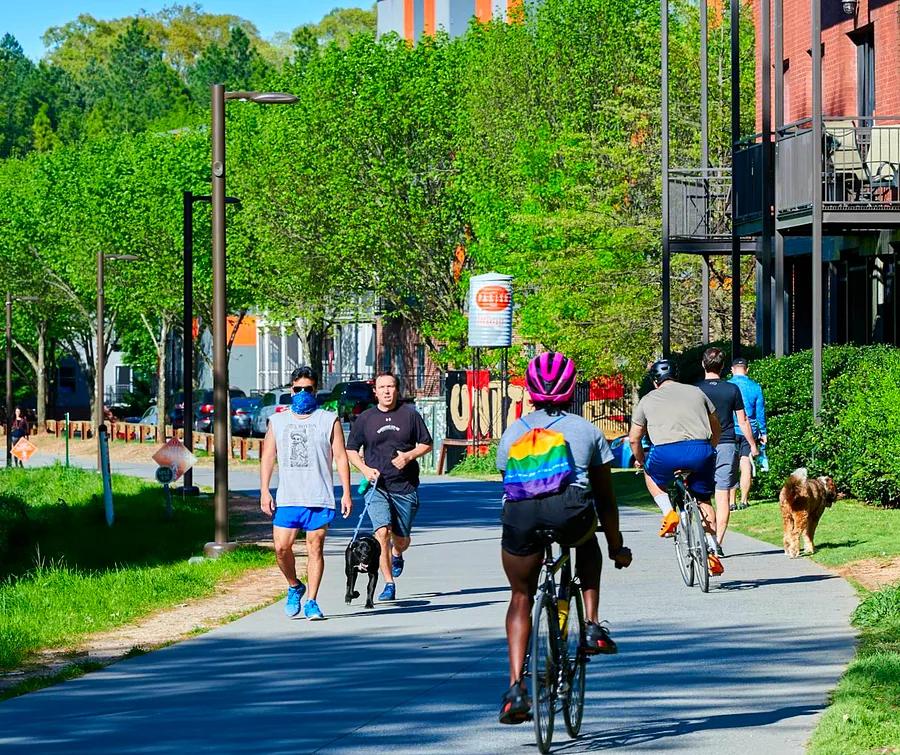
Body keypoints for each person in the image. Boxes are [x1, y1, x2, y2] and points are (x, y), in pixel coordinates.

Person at [495, 352, 632, 725]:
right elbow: (605, 498)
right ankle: (590, 625)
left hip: (522, 516)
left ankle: (515, 689)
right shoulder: (587, 430)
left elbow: (508, 480)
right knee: (586, 542)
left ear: (530, 390)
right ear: (572, 390)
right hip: (571, 513)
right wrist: (616, 546)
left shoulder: (514, 431)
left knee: (520, 595)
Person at [260, 366, 352, 621]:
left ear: (316, 390)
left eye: (307, 389)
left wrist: (346, 492)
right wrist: (265, 491)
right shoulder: (278, 421)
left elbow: (341, 457)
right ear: (291, 390)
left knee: (315, 547)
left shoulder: (328, 419)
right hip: (288, 497)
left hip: (319, 496)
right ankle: (294, 585)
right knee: (281, 548)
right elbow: (268, 457)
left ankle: (311, 600)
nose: (302, 393)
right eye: (297, 389)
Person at [628, 359, 724, 575]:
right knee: (703, 499)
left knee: (651, 475)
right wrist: (711, 447)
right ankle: (712, 549)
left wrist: (642, 461)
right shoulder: (697, 392)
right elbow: (715, 424)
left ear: (655, 381)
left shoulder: (646, 400)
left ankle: (668, 512)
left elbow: (634, 439)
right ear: (676, 376)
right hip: (701, 450)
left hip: (666, 453)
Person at [346, 372, 433, 602]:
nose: (386, 391)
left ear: (397, 390)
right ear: (375, 391)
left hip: (405, 487)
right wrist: (364, 469)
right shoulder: (365, 419)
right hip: (378, 487)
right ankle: (388, 583)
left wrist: (409, 456)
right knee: (381, 533)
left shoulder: (410, 415)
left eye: (391, 386)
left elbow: (427, 443)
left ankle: (397, 553)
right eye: (382, 387)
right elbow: (351, 449)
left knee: (401, 539)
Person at [695, 348, 759, 556]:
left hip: (701, 445)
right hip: (727, 444)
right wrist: (753, 444)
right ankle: (717, 543)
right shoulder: (732, 390)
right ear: (723, 368)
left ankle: (706, 536)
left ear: (703, 365)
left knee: (702, 495)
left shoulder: (695, 390)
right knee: (723, 496)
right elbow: (743, 420)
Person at [729, 357, 768, 510]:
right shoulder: (755, 387)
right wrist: (763, 432)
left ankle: (731, 502)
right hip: (749, 431)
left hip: (730, 429)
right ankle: (744, 500)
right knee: (745, 464)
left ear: (732, 370)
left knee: (731, 465)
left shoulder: (728, 385)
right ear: (747, 369)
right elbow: (760, 413)